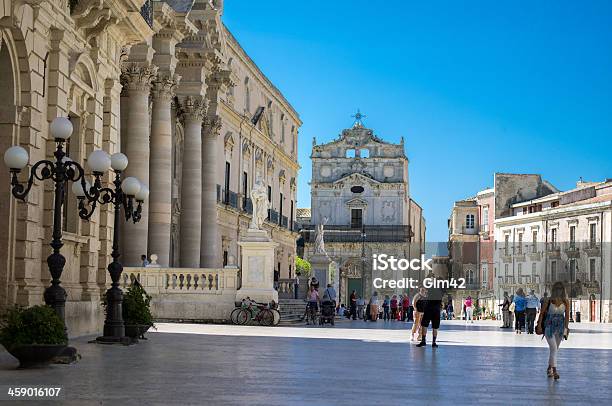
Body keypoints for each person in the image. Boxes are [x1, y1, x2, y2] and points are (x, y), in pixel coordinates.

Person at [536, 282, 570, 380]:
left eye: (560, 288)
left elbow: (567, 316)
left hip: (560, 327)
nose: (559, 290)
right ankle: (554, 371)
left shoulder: (566, 301)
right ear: (554, 290)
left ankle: (549, 367)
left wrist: (566, 328)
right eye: (557, 288)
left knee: (554, 350)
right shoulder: (548, 300)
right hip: (549, 327)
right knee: (554, 348)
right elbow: (542, 314)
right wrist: (539, 326)